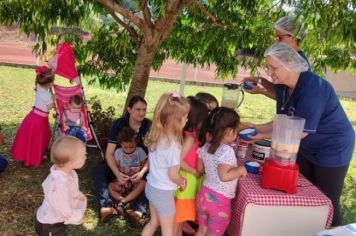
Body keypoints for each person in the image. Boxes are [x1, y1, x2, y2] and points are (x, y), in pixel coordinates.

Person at [249, 43, 355, 226]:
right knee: (303, 192)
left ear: (290, 64)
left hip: (332, 146)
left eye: (273, 68)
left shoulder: (313, 88)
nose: (269, 73)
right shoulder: (283, 86)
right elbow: (284, 122)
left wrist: (260, 136)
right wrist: (257, 128)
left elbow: (297, 132)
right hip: (307, 146)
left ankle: (335, 231)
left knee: (327, 201)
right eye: (268, 67)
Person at [92, 95, 151, 224]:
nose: (141, 113)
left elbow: (152, 155)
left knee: (153, 177)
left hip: (141, 166)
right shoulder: (119, 124)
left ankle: (137, 210)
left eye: (144, 110)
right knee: (99, 171)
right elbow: (109, 153)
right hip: (118, 164)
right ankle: (106, 207)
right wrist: (117, 173)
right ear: (129, 109)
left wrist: (142, 172)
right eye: (138, 109)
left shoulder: (148, 125)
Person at [141, 92, 190, 236]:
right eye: (185, 117)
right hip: (163, 193)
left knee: (153, 223)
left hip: (151, 187)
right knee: (168, 231)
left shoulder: (156, 136)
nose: (187, 120)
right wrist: (182, 181)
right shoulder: (173, 146)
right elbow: (173, 174)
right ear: (175, 120)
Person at [195, 107, 247, 236]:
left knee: (201, 231)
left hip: (203, 196)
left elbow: (200, 169)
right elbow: (224, 176)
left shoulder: (205, 146)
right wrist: (241, 169)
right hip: (219, 202)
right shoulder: (226, 151)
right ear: (230, 131)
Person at [243, 15, 309, 100]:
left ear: (294, 37)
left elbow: (290, 99)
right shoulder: (285, 58)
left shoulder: (300, 65)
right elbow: (280, 90)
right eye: (275, 38)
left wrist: (262, 91)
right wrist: (261, 81)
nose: (275, 42)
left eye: (280, 38)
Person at [35, 136, 87, 236]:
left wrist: (77, 196)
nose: (86, 157)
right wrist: (76, 216)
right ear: (71, 162)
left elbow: (71, 191)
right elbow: (63, 208)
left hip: (57, 218)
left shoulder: (65, 172)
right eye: (83, 155)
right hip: (50, 223)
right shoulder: (59, 185)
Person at [173, 96, 209, 236]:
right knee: (178, 217)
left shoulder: (192, 135)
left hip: (189, 180)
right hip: (186, 179)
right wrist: (194, 171)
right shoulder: (190, 137)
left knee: (180, 218)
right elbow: (178, 160)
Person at [11, 66, 55, 167]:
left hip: (33, 117)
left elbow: (44, 80)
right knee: (40, 138)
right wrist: (54, 98)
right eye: (52, 81)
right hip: (39, 120)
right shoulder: (47, 95)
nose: (53, 83)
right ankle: (34, 157)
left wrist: (50, 73)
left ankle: (29, 155)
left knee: (31, 138)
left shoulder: (39, 87)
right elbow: (49, 107)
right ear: (48, 84)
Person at [108, 127, 147, 210]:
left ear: (136, 143)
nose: (129, 150)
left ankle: (124, 201)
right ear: (121, 144)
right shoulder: (118, 152)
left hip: (135, 180)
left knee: (143, 183)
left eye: (132, 147)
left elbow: (144, 164)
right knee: (110, 186)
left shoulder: (140, 151)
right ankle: (122, 200)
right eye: (125, 147)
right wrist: (120, 175)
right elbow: (117, 166)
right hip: (123, 180)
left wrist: (139, 174)